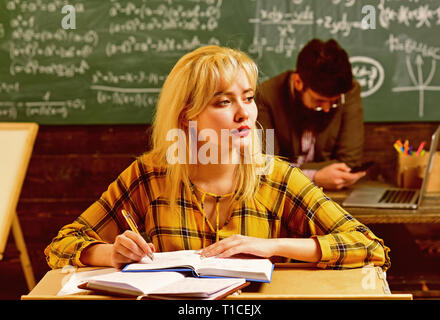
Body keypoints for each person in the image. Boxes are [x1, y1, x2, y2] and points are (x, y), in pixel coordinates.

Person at [45, 45, 390, 272]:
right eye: (223, 102)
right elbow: (62, 245)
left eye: (249, 97)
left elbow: (369, 247)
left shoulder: (276, 177)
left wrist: (269, 246)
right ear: (186, 116)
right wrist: (111, 254)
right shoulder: (148, 175)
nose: (245, 114)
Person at [256, 39, 366, 190]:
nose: (327, 108)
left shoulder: (348, 91)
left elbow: (349, 162)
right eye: (319, 101)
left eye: (334, 102)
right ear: (298, 82)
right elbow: (266, 166)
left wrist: (292, 167)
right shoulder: (265, 96)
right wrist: (315, 177)